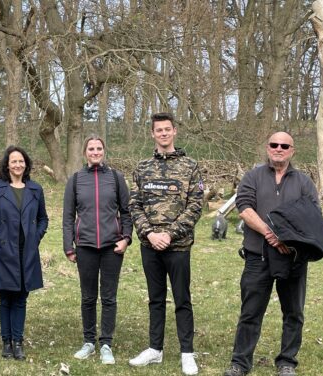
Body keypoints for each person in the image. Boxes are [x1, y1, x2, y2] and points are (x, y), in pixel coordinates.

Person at [223, 132, 321, 376]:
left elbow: (312, 216)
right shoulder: (253, 176)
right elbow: (244, 207)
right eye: (274, 144)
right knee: (250, 312)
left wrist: (288, 240)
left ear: (292, 151)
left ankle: (287, 362)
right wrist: (270, 233)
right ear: (267, 148)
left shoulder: (304, 182)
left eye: (284, 145)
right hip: (258, 257)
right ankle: (240, 363)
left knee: (293, 313)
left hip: (293, 258)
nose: (279, 148)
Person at [128, 112, 203, 375]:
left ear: (174, 132)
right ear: (152, 134)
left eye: (167, 129)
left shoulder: (190, 166)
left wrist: (170, 234)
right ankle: (155, 349)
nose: (163, 133)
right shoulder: (142, 167)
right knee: (155, 299)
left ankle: (187, 353)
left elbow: (195, 206)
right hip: (149, 246)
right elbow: (134, 205)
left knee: (182, 299)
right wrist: (149, 234)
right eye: (158, 130)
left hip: (178, 247)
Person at [62, 135, 133, 365]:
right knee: (88, 297)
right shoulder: (75, 180)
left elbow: (127, 212)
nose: (95, 152)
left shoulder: (116, 178)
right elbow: (67, 217)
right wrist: (68, 247)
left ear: (104, 151)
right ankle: (89, 342)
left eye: (99, 148)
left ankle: (106, 344)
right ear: (85, 153)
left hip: (112, 247)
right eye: (91, 149)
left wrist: (126, 239)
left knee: (109, 298)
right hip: (85, 247)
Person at [0, 146, 49, 360]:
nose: (17, 165)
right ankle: (6, 341)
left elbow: (44, 218)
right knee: (6, 297)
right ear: (7, 164)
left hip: (26, 250)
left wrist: (36, 236)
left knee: (21, 298)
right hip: (3, 249)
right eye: (13, 161)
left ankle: (18, 341)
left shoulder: (35, 189)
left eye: (21, 161)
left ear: (26, 164)